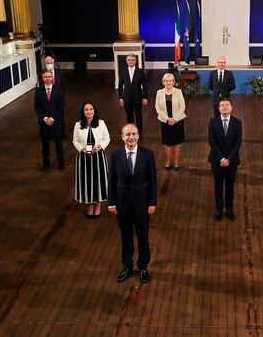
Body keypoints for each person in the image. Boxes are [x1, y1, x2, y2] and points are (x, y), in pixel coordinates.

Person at [108, 124, 157, 284]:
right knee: (126, 237)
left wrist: (152, 202)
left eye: (134, 134)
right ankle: (127, 266)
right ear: (122, 136)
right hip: (122, 205)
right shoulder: (115, 155)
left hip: (142, 205)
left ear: (138, 136)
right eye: (128, 134)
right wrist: (111, 203)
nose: (131, 137)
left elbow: (153, 181)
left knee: (143, 237)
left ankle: (143, 266)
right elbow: (112, 181)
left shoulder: (148, 154)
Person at [73, 102, 110, 218]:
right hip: (83, 158)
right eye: (86, 110)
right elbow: (75, 141)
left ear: (94, 111)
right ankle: (89, 205)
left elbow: (107, 138)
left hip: (98, 157)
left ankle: (98, 204)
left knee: (98, 180)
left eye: (91, 109)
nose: (89, 112)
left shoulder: (101, 123)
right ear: (83, 112)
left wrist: (100, 147)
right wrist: (81, 149)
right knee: (86, 181)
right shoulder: (78, 125)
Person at [207, 97, 242, 221]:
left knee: (230, 186)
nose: (225, 107)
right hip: (217, 160)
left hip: (232, 161)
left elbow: (237, 143)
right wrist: (221, 158)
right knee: (218, 186)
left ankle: (229, 209)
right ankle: (219, 209)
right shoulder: (212, 122)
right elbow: (212, 141)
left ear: (231, 107)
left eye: (227, 105)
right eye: (222, 105)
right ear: (219, 108)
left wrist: (229, 159)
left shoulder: (238, 122)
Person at [34, 70, 65, 170]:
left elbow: (61, 108)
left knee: (58, 144)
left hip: (56, 122)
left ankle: (61, 163)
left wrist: (52, 118)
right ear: (42, 79)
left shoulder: (59, 90)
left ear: (52, 78)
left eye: (49, 76)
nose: (47, 78)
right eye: (45, 77)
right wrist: (45, 118)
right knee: (45, 145)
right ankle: (46, 164)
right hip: (43, 123)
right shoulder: (38, 91)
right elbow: (37, 107)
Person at [154, 73, 186, 169]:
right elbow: (157, 107)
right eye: (166, 81)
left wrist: (175, 119)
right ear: (163, 82)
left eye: (170, 80)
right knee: (167, 142)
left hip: (178, 121)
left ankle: (176, 162)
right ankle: (167, 162)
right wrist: (167, 119)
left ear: (173, 82)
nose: (168, 82)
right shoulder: (159, 92)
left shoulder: (178, 92)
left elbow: (182, 106)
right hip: (165, 121)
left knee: (177, 142)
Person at [118, 54, 148, 137]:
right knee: (129, 116)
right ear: (126, 61)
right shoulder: (123, 71)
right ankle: (130, 133)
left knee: (138, 116)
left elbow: (145, 85)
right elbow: (120, 85)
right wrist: (120, 98)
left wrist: (145, 97)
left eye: (132, 60)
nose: (131, 61)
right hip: (126, 98)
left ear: (135, 61)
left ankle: (139, 133)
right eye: (129, 60)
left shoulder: (140, 71)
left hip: (138, 97)